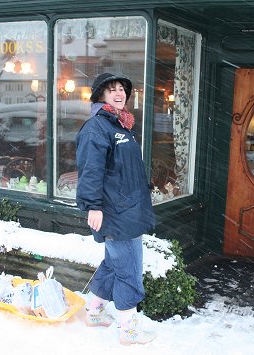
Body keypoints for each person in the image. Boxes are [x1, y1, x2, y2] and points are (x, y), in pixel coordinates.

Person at [75, 73, 156, 345]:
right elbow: (90, 171)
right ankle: (129, 330)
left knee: (113, 264)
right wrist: (93, 207)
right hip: (115, 212)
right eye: (112, 90)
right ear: (101, 96)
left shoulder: (121, 125)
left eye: (121, 89)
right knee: (128, 269)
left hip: (129, 208)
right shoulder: (97, 127)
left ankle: (94, 311)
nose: (119, 93)